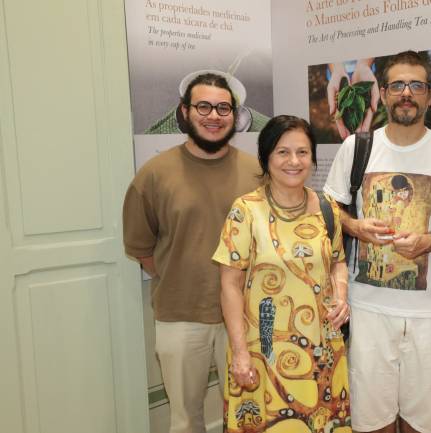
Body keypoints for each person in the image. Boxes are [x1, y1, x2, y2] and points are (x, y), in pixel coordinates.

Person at [324, 50, 431, 433]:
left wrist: (428, 241)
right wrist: (355, 227)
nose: (406, 93)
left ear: (430, 95)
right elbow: (327, 212)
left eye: (416, 85)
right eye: (397, 85)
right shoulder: (357, 148)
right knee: (371, 418)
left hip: (428, 311)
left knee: (425, 422)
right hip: (369, 308)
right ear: (383, 93)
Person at [123, 73, 260, 433]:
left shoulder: (257, 172)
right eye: (203, 106)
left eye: (223, 108)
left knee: (252, 415)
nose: (213, 115)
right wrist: (184, 279)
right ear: (185, 112)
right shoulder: (154, 175)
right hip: (181, 318)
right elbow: (143, 249)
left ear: (234, 114)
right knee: (186, 419)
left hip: (247, 318)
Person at [213, 115, 352, 432]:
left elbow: (336, 262)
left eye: (302, 152)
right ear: (266, 157)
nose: (294, 161)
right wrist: (239, 355)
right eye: (282, 152)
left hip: (322, 348)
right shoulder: (246, 210)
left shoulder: (327, 209)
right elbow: (229, 286)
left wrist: (341, 295)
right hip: (264, 349)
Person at [327, 58, 379, 139]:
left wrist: (364, 64)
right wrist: (336, 67)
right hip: (337, 72)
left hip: (364, 71)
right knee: (336, 94)